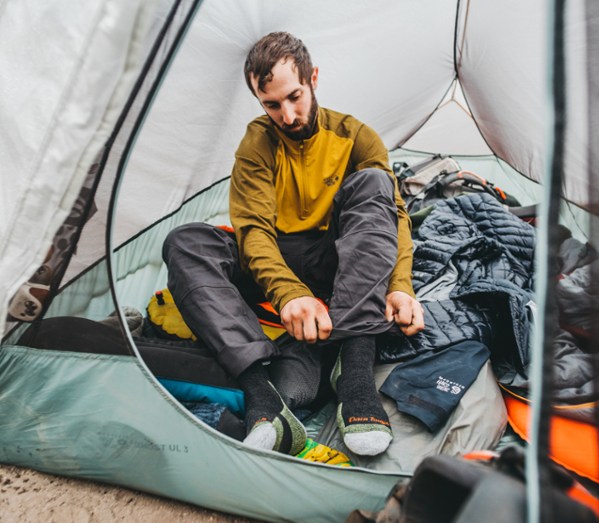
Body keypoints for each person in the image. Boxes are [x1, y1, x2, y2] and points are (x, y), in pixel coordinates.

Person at [162, 32, 424, 457]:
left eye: (294, 97)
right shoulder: (257, 145)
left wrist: (401, 285)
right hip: (275, 261)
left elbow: (393, 216)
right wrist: (289, 295)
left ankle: (355, 374)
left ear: (313, 77)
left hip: (333, 257)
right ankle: (260, 395)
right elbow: (254, 233)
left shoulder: (356, 137)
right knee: (187, 242)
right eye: (272, 104)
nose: (287, 114)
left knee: (375, 183)